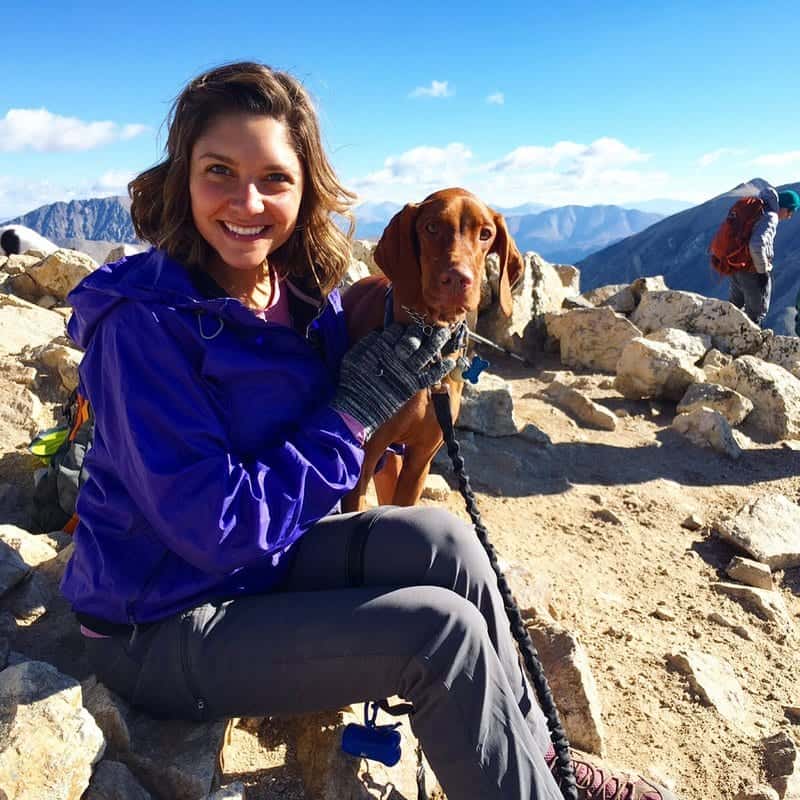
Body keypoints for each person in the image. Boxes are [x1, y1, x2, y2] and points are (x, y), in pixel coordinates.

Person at [60, 61, 674, 800]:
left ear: (304, 186)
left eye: (275, 178)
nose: (247, 201)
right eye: (219, 170)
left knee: (447, 542)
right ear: (181, 177)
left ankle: (544, 760)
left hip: (257, 568)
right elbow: (214, 526)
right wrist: (353, 413)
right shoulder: (144, 328)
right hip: (158, 622)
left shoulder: (294, 297)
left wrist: (396, 343)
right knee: (436, 635)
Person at [728, 186, 799, 326]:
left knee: (733, 307)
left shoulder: (759, 211)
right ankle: (748, 344)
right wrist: (762, 272)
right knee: (756, 312)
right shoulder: (771, 217)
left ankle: (725, 338)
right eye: (791, 211)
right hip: (752, 270)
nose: (790, 216)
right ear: (784, 208)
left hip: (737, 265)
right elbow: (756, 244)